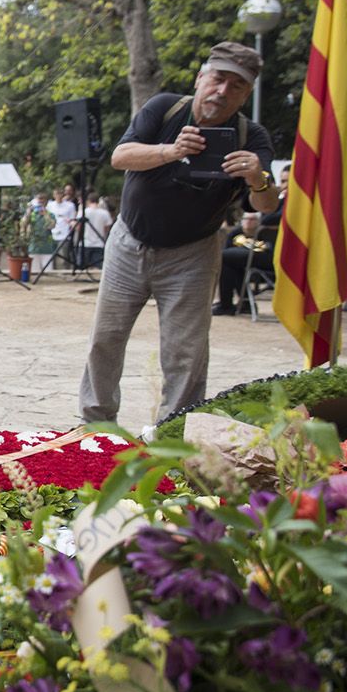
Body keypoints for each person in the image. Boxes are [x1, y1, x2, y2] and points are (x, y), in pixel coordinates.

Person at [79, 42, 277, 423]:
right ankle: (96, 425)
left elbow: (266, 205)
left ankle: (174, 432)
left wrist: (258, 176)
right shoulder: (164, 107)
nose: (222, 91)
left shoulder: (252, 138)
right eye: (218, 79)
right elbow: (121, 156)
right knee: (106, 338)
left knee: (185, 351)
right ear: (201, 78)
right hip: (129, 242)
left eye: (236, 86)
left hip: (193, 253)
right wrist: (170, 151)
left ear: (246, 95)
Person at [213, 211, 273, 316]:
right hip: (242, 268)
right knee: (229, 266)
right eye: (246, 219)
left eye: (252, 219)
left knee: (225, 257)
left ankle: (227, 305)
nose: (248, 222)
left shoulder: (265, 232)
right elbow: (227, 251)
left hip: (264, 267)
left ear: (259, 221)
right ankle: (242, 304)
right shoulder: (236, 233)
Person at [80, 194, 113, 268]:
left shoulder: (84, 212)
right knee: (99, 266)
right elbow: (107, 228)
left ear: (88, 201)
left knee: (84, 267)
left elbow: (78, 227)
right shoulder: (105, 213)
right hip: (99, 243)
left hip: (86, 243)